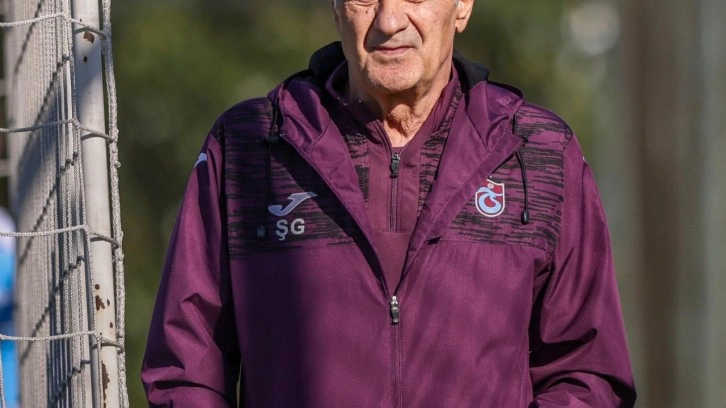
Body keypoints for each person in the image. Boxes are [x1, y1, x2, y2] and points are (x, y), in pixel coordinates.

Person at [142, 0, 636, 406]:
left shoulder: (539, 151)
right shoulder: (250, 146)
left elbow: (586, 372)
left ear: (463, 6)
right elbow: (186, 368)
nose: (389, 20)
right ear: (335, 8)